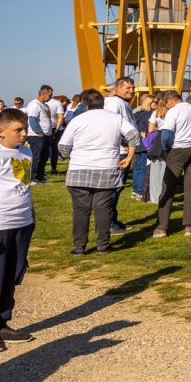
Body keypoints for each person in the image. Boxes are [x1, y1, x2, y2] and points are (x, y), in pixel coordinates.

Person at [0, 108, 36, 353]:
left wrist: (31, 216)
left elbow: (22, 187)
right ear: (1, 131)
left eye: (25, 129)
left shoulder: (25, 153)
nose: (23, 134)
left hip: (21, 223)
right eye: (18, 130)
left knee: (11, 275)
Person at [58, 89, 138, 256]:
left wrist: (69, 154)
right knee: (103, 209)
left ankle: (78, 248)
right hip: (106, 168)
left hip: (79, 169)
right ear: (103, 102)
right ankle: (103, 246)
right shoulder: (115, 118)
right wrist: (129, 157)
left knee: (80, 210)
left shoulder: (77, 120)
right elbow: (134, 136)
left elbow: (63, 148)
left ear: (85, 104)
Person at [154, 91, 191, 238]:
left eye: (166, 104)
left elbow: (166, 135)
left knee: (168, 186)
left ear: (170, 101)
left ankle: (161, 227)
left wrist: (168, 149)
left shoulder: (173, 112)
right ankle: (189, 226)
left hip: (178, 148)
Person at [102, 77, 139, 233]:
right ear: (117, 88)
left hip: (124, 150)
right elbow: (111, 124)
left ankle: (113, 220)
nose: (131, 90)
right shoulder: (114, 103)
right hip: (118, 152)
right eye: (128, 88)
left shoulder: (122, 103)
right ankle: (108, 223)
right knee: (113, 188)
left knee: (118, 187)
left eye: (132, 87)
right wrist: (125, 140)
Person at [23, 86, 54, 185]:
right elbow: (32, 119)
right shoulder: (34, 104)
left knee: (44, 157)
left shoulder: (45, 106)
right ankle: (32, 178)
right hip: (36, 136)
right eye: (50, 94)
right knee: (36, 157)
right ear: (44, 94)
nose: (51, 97)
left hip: (46, 135)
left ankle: (40, 176)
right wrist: (39, 132)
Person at [130, 93, 155, 202]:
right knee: (144, 168)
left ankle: (136, 190)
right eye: (155, 102)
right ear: (150, 103)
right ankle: (140, 191)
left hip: (138, 143)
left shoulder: (137, 114)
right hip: (146, 143)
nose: (158, 104)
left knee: (138, 167)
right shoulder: (151, 115)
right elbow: (150, 129)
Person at [46, 93, 66, 175]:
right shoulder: (57, 103)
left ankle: (39, 170)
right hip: (55, 128)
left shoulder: (37, 103)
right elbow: (61, 117)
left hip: (44, 128)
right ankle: (53, 168)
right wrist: (57, 129)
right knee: (54, 149)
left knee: (44, 149)